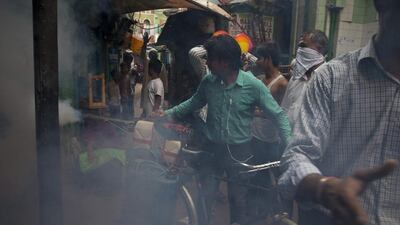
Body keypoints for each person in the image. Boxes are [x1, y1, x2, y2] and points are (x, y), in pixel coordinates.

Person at [278, 1, 400, 225]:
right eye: (301, 46)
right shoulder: (331, 78)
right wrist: (324, 187)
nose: (302, 52)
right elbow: (297, 154)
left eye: (308, 47)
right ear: (382, 5)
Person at [160, 35, 291, 225]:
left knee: (239, 202)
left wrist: (289, 145)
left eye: (210, 59)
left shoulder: (253, 85)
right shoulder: (209, 82)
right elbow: (193, 103)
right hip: (212, 149)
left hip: (240, 152)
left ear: (225, 62)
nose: (208, 63)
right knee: (205, 196)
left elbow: (279, 115)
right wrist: (167, 114)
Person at [281, 30, 328, 125]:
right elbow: (285, 107)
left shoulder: (328, 80)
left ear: (320, 49)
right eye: (299, 46)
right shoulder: (295, 78)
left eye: (303, 46)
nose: (299, 50)